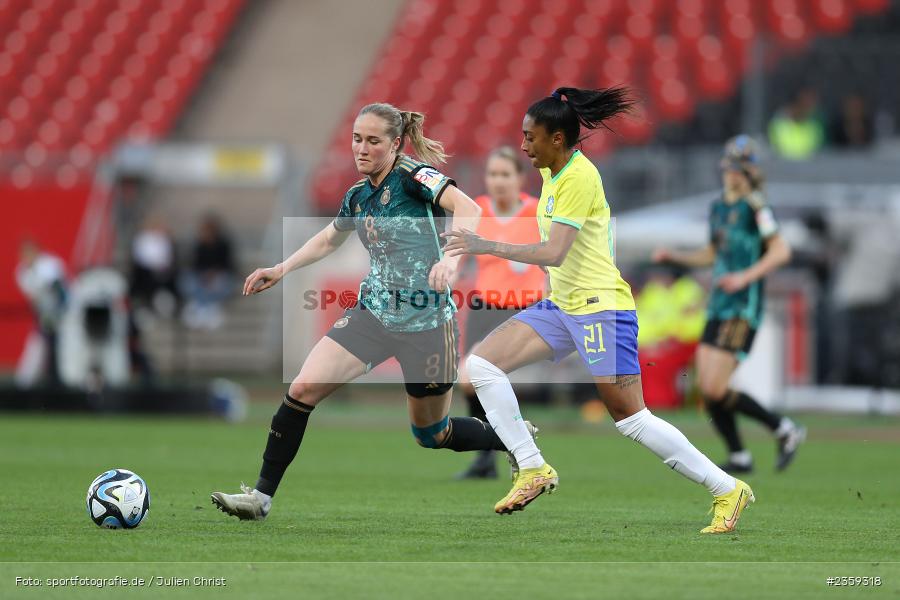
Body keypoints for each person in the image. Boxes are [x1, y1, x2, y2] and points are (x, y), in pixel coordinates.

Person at [443, 87, 753, 534]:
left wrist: (484, 244)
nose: (525, 145)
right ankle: (532, 467)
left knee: (631, 420)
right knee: (482, 366)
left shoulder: (578, 178)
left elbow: (554, 252)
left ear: (557, 139)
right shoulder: (552, 174)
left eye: (531, 137)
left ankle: (727, 489)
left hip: (601, 309)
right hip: (564, 307)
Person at [211, 103, 515, 520]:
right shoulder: (358, 195)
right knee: (301, 390)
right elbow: (329, 240)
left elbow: (470, 209)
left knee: (433, 434)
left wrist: (452, 261)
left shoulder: (415, 177)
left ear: (395, 144)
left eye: (373, 141)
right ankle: (260, 499)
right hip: (373, 314)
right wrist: (281, 269)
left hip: (427, 323)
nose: (362, 148)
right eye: (357, 139)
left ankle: (509, 435)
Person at [653, 134, 806, 475]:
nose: (733, 171)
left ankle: (783, 428)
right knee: (708, 391)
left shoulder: (757, 207)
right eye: (730, 164)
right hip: (719, 305)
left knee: (713, 387)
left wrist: (745, 277)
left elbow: (782, 251)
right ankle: (740, 455)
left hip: (742, 307)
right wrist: (674, 256)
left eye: (741, 165)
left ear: (751, 171)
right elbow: (711, 253)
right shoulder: (718, 207)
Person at [454, 146, 547, 479]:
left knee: (490, 379)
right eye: (493, 174)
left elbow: (553, 256)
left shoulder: (537, 212)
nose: (498, 181)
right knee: (468, 382)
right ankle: (491, 454)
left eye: (505, 174)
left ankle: (515, 453)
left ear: (520, 178)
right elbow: (457, 256)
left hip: (523, 308)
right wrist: (446, 273)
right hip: (484, 307)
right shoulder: (477, 210)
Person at [15, 239, 67, 387]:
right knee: (38, 345)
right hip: (45, 314)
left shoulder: (50, 264)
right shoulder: (22, 272)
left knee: (63, 348)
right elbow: (35, 299)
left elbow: (59, 291)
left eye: (29, 252)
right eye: (24, 253)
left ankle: (62, 381)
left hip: (65, 312)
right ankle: (24, 385)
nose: (26, 256)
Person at [180, 213, 236, 330]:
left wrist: (214, 272)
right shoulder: (198, 245)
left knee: (219, 283)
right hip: (201, 276)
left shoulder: (223, 244)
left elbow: (228, 265)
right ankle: (200, 306)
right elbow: (194, 265)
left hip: (220, 275)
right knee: (189, 281)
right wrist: (204, 274)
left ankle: (210, 307)